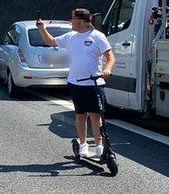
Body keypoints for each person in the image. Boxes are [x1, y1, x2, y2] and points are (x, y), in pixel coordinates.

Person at [36, 8, 116, 159]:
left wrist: (107, 69)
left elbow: (110, 57)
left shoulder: (97, 37)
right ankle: (83, 145)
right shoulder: (70, 37)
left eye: (72, 19)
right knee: (80, 115)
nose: (70, 21)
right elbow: (51, 42)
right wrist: (42, 29)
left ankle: (99, 146)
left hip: (94, 83)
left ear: (83, 21)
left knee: (95, 116)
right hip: (75, 83)